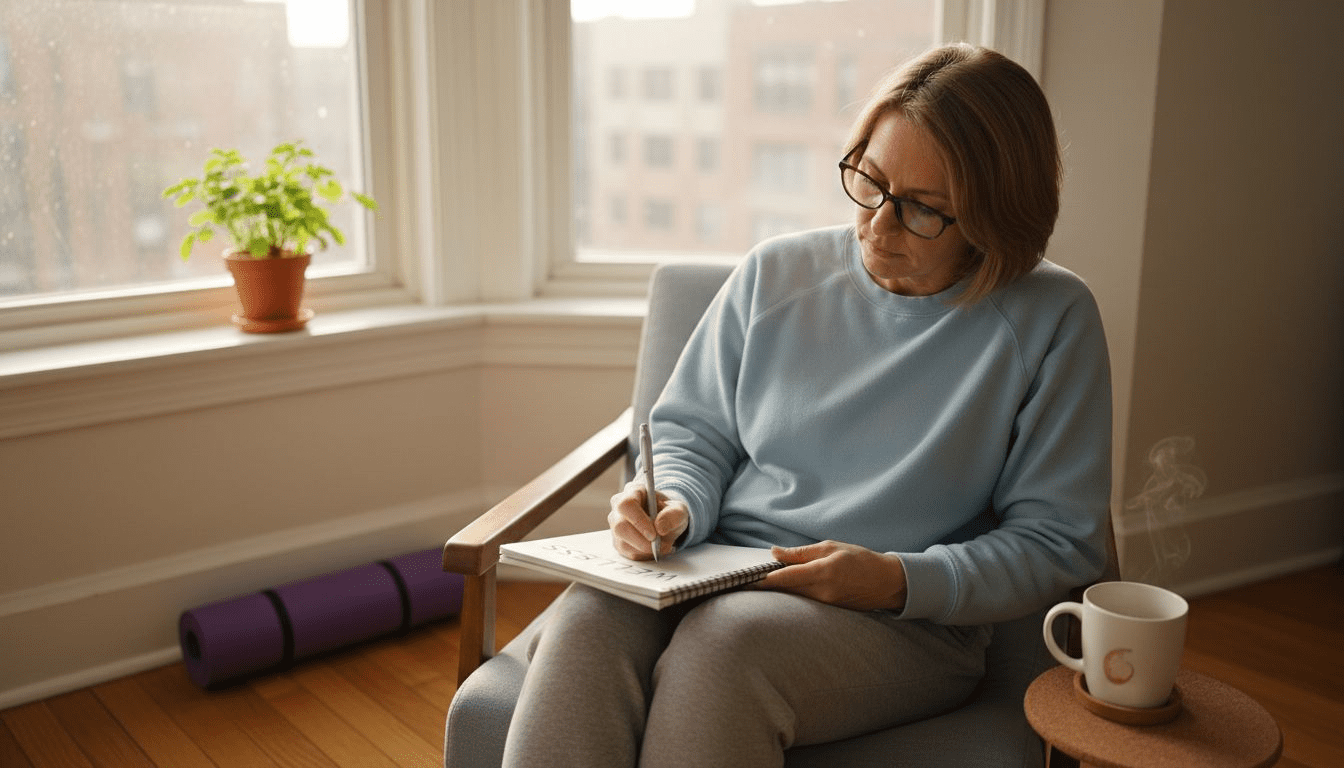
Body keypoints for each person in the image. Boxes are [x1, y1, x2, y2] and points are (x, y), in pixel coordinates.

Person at [501, 43, 1112, 768]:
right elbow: (693, 431)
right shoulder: (775, 273)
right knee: (586, 622)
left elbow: (1059, 542)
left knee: (725, 648)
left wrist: (894, 580)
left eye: (924, 210)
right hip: (716, 565)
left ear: (994, 220)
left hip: (901, 621)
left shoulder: (1051, 318)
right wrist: (672, 503)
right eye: (870, 181)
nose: (880, 227)